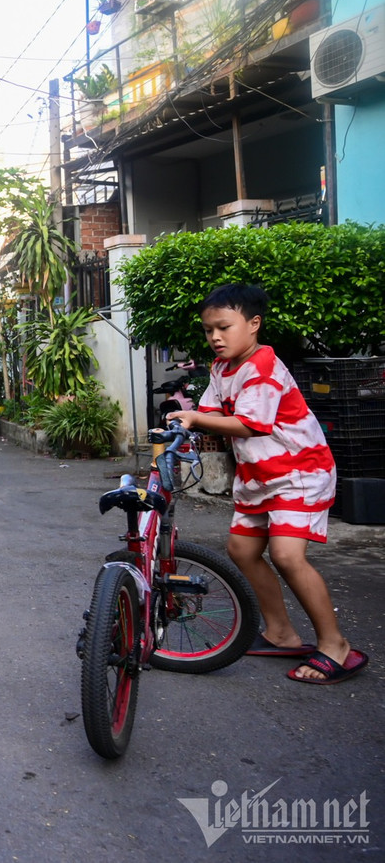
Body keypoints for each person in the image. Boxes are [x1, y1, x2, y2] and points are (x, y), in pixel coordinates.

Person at [167, 283, 368, 686]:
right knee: (241, 550)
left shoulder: (263, 365)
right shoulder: (221, 368)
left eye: (224, 327)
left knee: (288, 555)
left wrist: (195, 421)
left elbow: (249, 423)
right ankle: (281, 633)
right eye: (209, 330)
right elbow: (206, 410)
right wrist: (179, 422)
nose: (215, 337)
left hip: (299, 473)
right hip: (259, 476)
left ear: (254, 324)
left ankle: (335, 646)